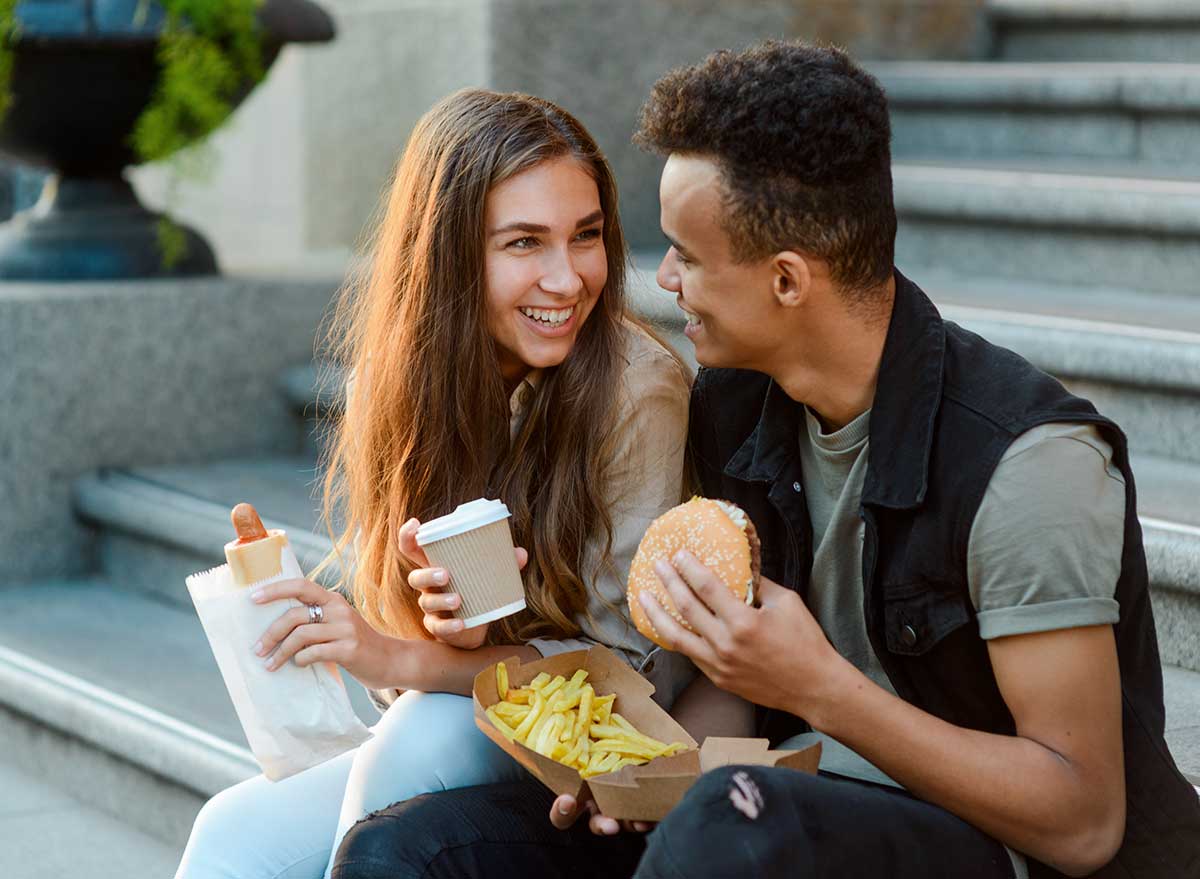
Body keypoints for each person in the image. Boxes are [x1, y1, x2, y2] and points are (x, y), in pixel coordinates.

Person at [331, 41, 1200, 879]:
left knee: (729, 821)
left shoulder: (1026, 467)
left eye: (691, 255)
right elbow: (725, 692)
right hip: (757, 803)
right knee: (412, 851)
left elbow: (1083, 824)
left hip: (973, 844)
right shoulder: (737, 409)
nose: (662, 278)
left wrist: (821, 689)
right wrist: (643, 773)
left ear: (787, 280)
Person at [174, 87, 753, 879]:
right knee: (229, 834)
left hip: (606, 755)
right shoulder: (400, 383)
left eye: (586, 236)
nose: (568, 277)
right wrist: (449, 636)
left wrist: (405, 659)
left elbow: (627, 681)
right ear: (450, 253)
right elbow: (410, 670)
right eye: (523, 243)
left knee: (415, 743)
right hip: (463, 712)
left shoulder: (635, 388)